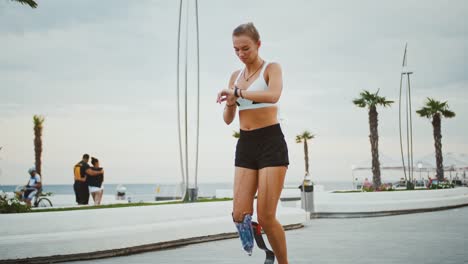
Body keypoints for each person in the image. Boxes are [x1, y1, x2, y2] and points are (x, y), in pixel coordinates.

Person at [216, 22, 289, 264]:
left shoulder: (271, 68)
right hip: (246, 144)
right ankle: (266, 252)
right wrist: (229, 101)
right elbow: (228, 120)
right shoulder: (235, 77)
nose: (240, 54)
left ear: (258, 44)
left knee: (267, 216)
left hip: (270, 141)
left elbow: (273, 95)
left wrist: (238, 94)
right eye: (236, 49)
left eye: (245, 48)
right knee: (239, 214)